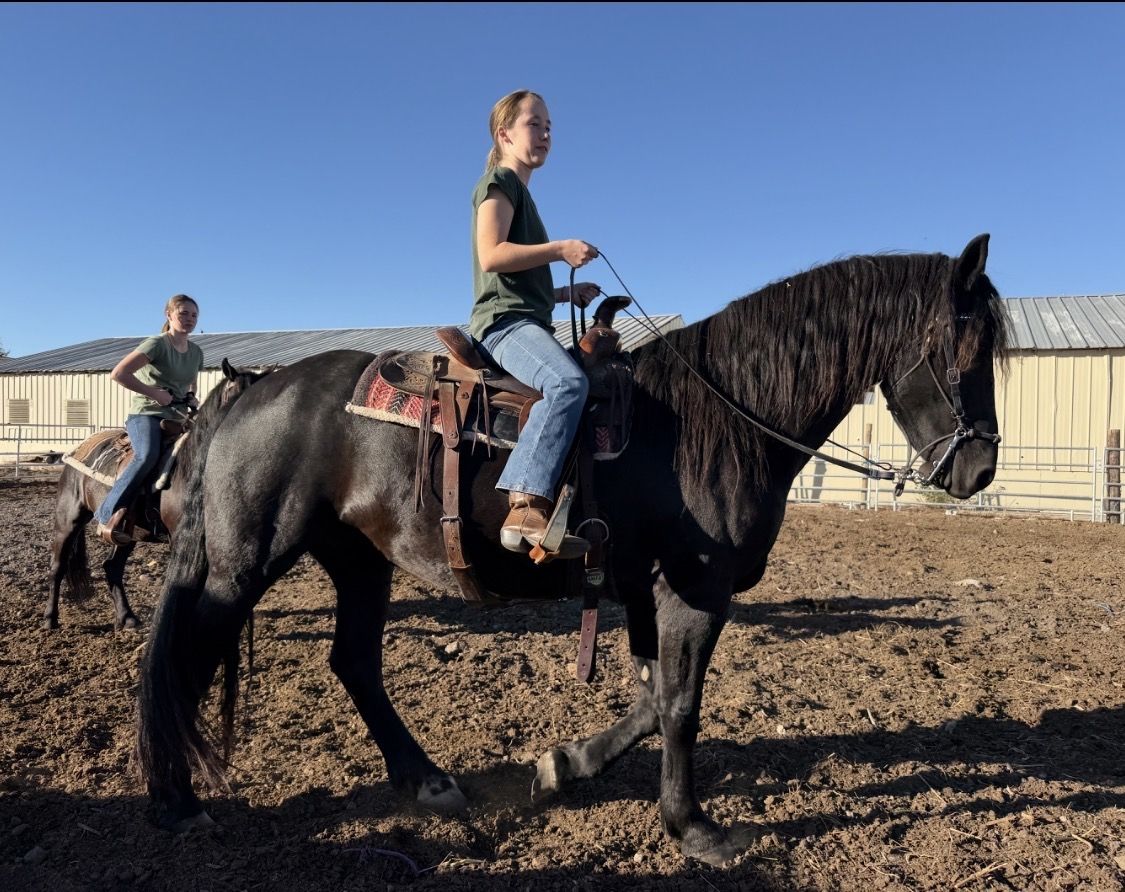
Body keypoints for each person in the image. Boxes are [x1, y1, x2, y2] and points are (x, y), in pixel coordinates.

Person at [469, 89, 601, 559]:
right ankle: (524, 504)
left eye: (549, 127)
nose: (545, 134)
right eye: (535, 124)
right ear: (504, 134)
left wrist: (566, 293)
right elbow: (493, 255)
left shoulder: (522, 194)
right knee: (567, 383)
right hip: (505, 325)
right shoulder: (499, 183)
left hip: (526, 317)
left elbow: (523, 279)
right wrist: (560, 249)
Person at [92, 294, 204, 545]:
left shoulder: (196, 352)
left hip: (178, 416)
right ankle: (106, 513)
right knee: (147, 455)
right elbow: (119, 373)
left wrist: (191, 398)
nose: (189, 319)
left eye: (194, 315)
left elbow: (190, 385)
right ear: (169, 315)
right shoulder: (156, 344)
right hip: (146, 414)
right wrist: (154, 393)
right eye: (183, 313)